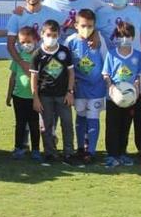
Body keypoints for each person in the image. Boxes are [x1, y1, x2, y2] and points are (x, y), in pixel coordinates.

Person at [30, 20, 79, 166]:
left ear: (59, 35)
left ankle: (69, 153)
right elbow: (34, 77)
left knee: (67, 124)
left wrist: (70, 92)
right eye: (48, 35)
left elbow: (71, 73)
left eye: (55, 35)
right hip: (44, 96)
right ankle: (50, 153)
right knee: (46, 125)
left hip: (62, 95)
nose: (51, 38)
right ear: (42, 35)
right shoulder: (37, 54)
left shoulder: (64, 51)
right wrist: (35, 98)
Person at [65, 9, 107, 165]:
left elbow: (106, 61)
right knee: (81, 116)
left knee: (93, 117)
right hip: (78, 88)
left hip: (96, 88)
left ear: (94, 26)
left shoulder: (99, 40)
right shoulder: (70, 41)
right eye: (83, 25)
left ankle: (91, 151)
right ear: (76, 25)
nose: (86, 29)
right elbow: (65, 64)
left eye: (90, 26)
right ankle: (81, 148)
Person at [102, 22, 141, 168]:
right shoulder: (111, 54)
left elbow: (139, 74)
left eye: (128, 36)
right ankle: (112, 155)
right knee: (112, 125)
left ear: (133, 37)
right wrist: (111, 86)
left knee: (126, 125)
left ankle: (122, 153)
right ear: (117, 37)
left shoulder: (138, 55)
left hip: (131, 97)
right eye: (121, 36)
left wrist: (137, 88)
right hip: (114, 97)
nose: (125, 39)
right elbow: (106, 74)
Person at [6, 0, 65, 73]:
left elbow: (74, 23)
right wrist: (22, 63)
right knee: (22, 87)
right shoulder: (16, 16)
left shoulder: (53, 13)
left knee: (52, 86)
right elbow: (10, 45)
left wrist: (93, 33)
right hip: (26, 61)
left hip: (48, 62)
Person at [6, 27, 40, 161]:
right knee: (20, 123)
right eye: (22, 42)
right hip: (18, 97)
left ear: (35, 40)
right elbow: (13, 77)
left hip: (34, 98)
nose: (26, 45)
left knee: (34, 124)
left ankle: (36, 150)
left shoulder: (38, 56)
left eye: (28, 41)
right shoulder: (17, 58)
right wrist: (9, 95)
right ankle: (18, 147)